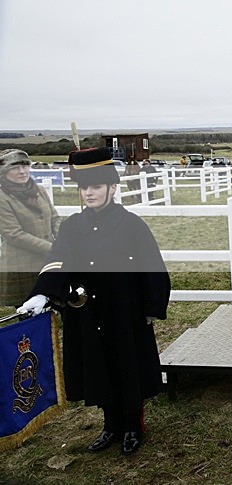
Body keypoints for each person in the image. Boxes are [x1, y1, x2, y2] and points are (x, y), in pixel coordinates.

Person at [16, 147, 171, 455]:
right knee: (99, 367)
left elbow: (153, 266)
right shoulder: (72, 226)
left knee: (127, 367)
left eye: (96, 186)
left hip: (125, 310)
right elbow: (58, 259)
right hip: (88, 312)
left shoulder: (131, 224)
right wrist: (43, 293)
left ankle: (132, 426)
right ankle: (110, 425)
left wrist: (151, 308)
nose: (89, 193)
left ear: (112, 188)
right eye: (84, 187)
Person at [0, 149, 61, 307]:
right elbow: (14, 234)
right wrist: (54, 248)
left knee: (56, 308)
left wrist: (65, 240)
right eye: (15, 168)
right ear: (3, 172)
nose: (22, 171)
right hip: (22, 266)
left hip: (48, 263)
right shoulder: (2, 197)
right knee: (31, 319)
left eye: (25, 166)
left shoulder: (38, 190)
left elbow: (54, 219)